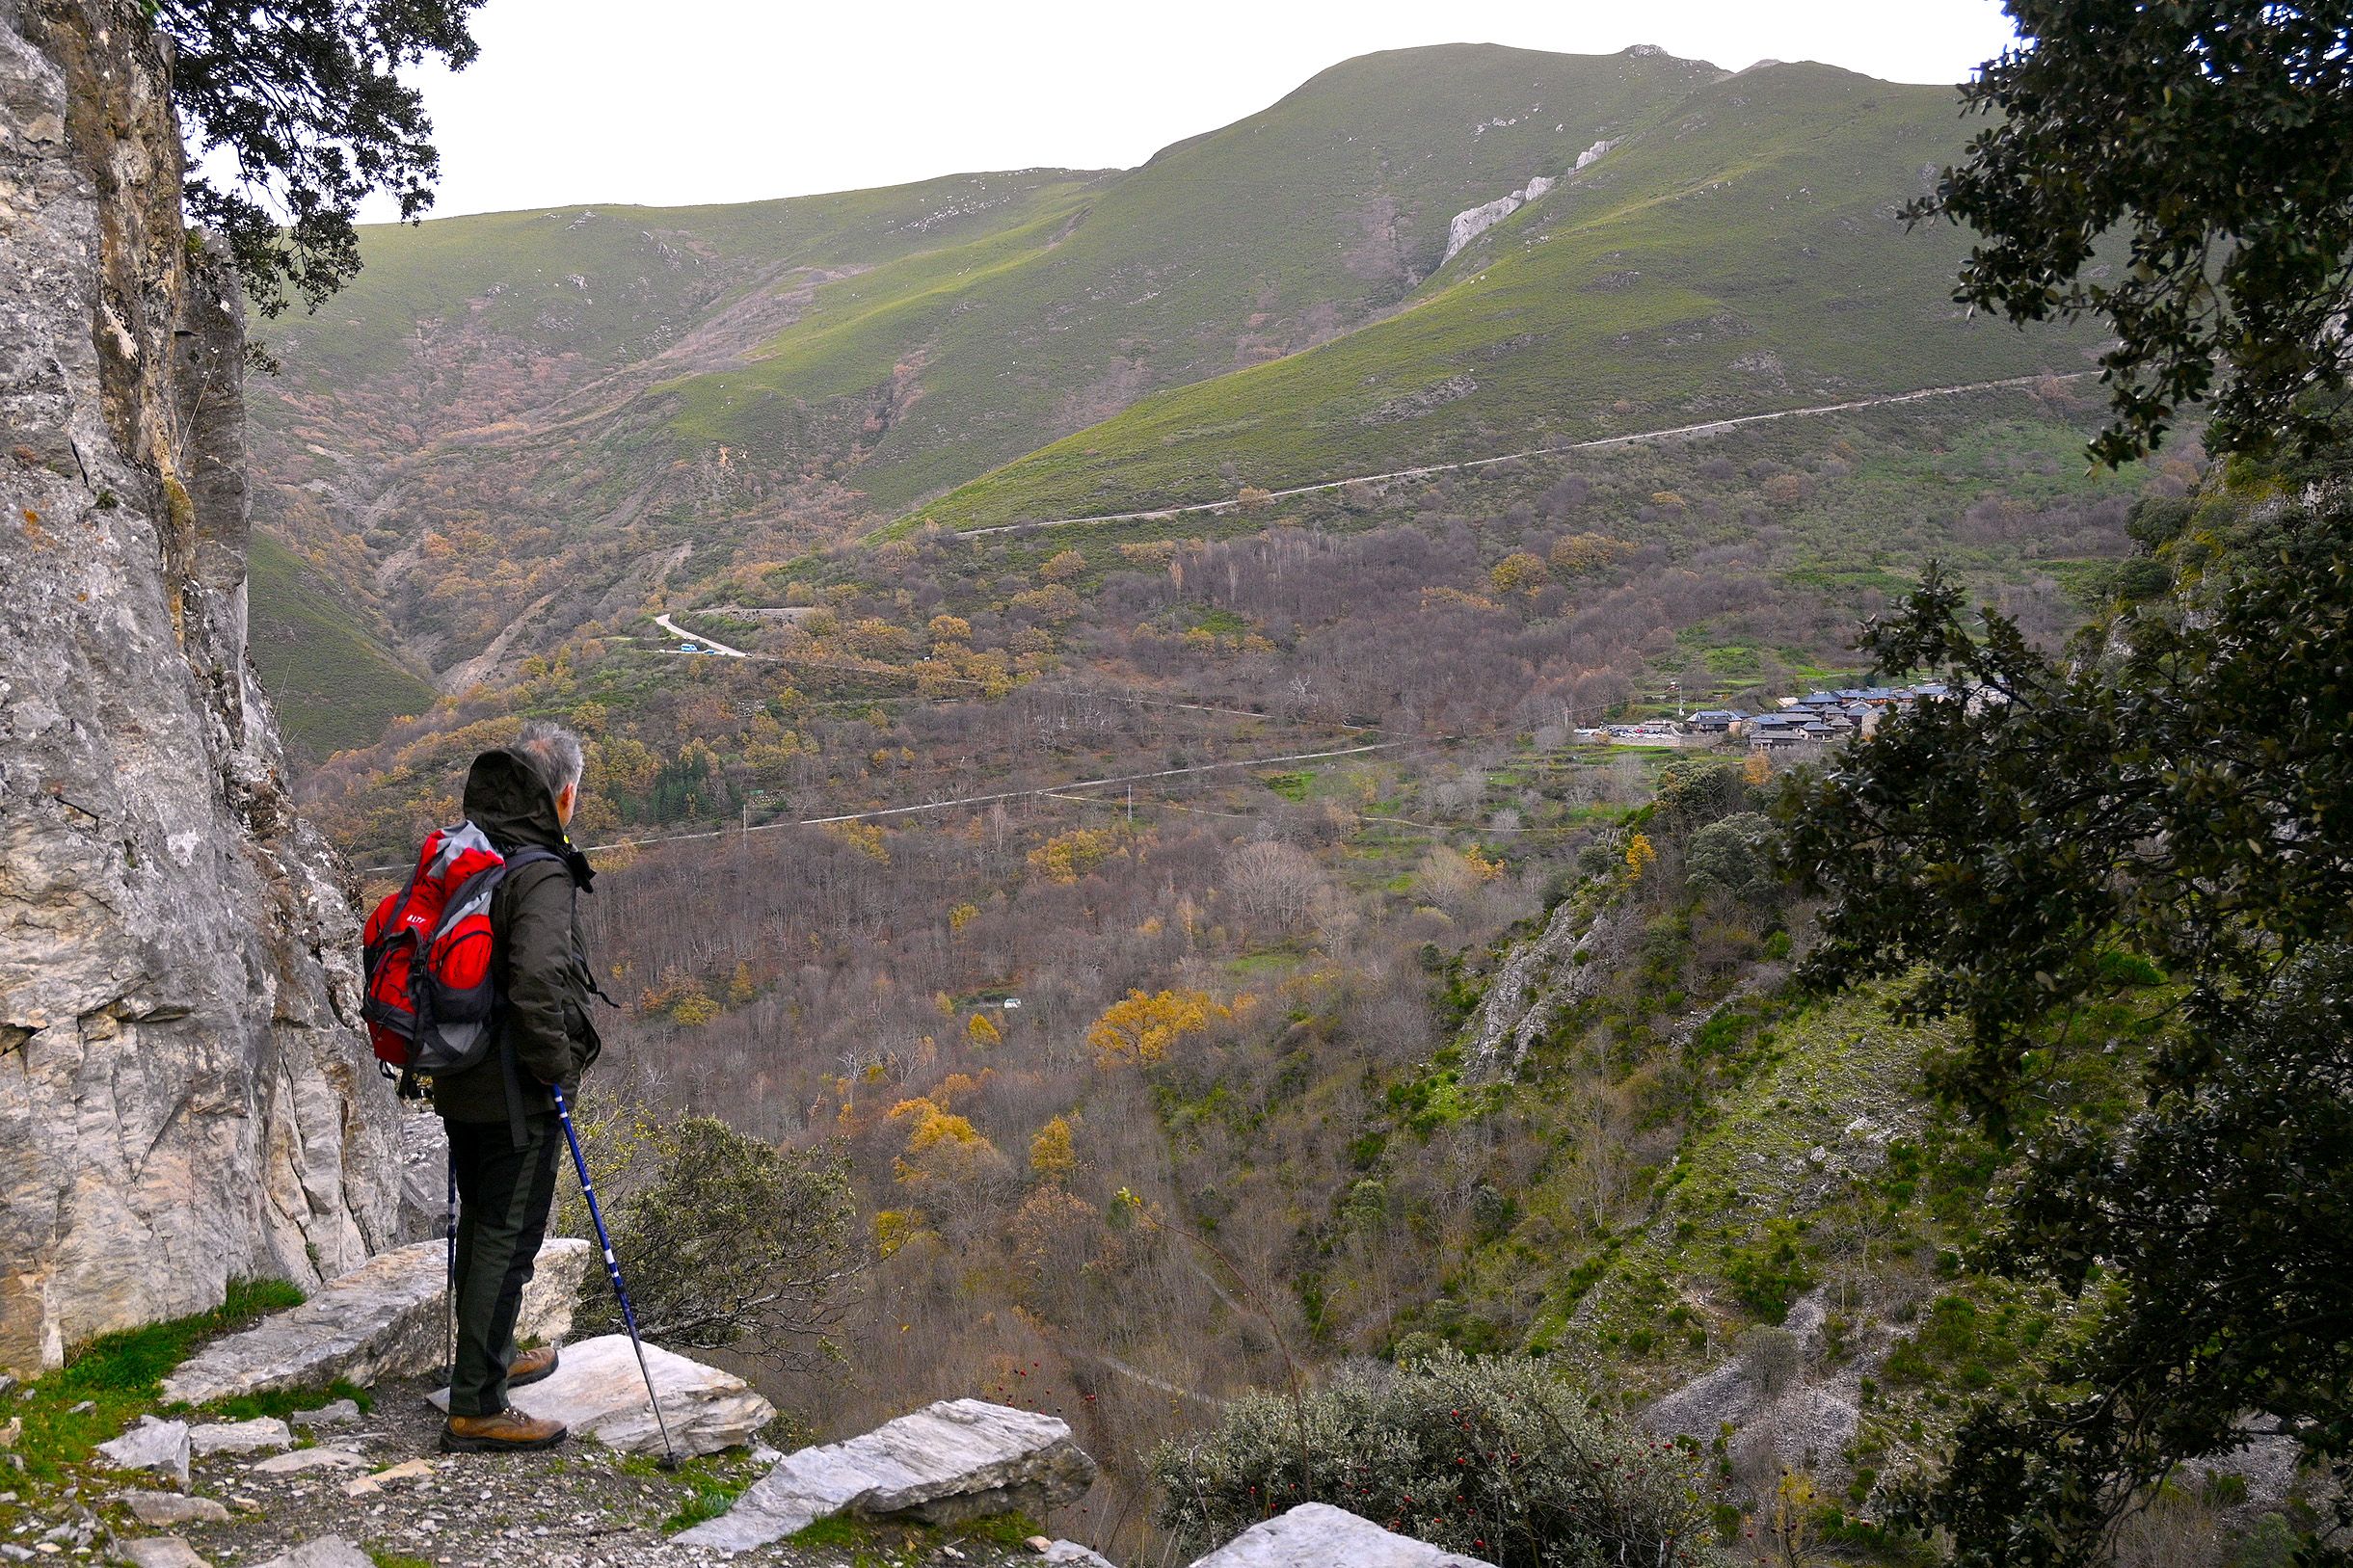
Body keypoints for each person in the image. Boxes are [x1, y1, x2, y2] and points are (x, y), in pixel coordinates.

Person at [434, 720, 603, 1453]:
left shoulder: (472, 848)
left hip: (459, 1068)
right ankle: (476, 1403)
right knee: (509, 1235)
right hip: (514, 1088)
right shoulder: (540, 870)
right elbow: (537, 982)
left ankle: (486, 1360)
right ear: (563, 795)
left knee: (482, 1224)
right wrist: (554, 1071)